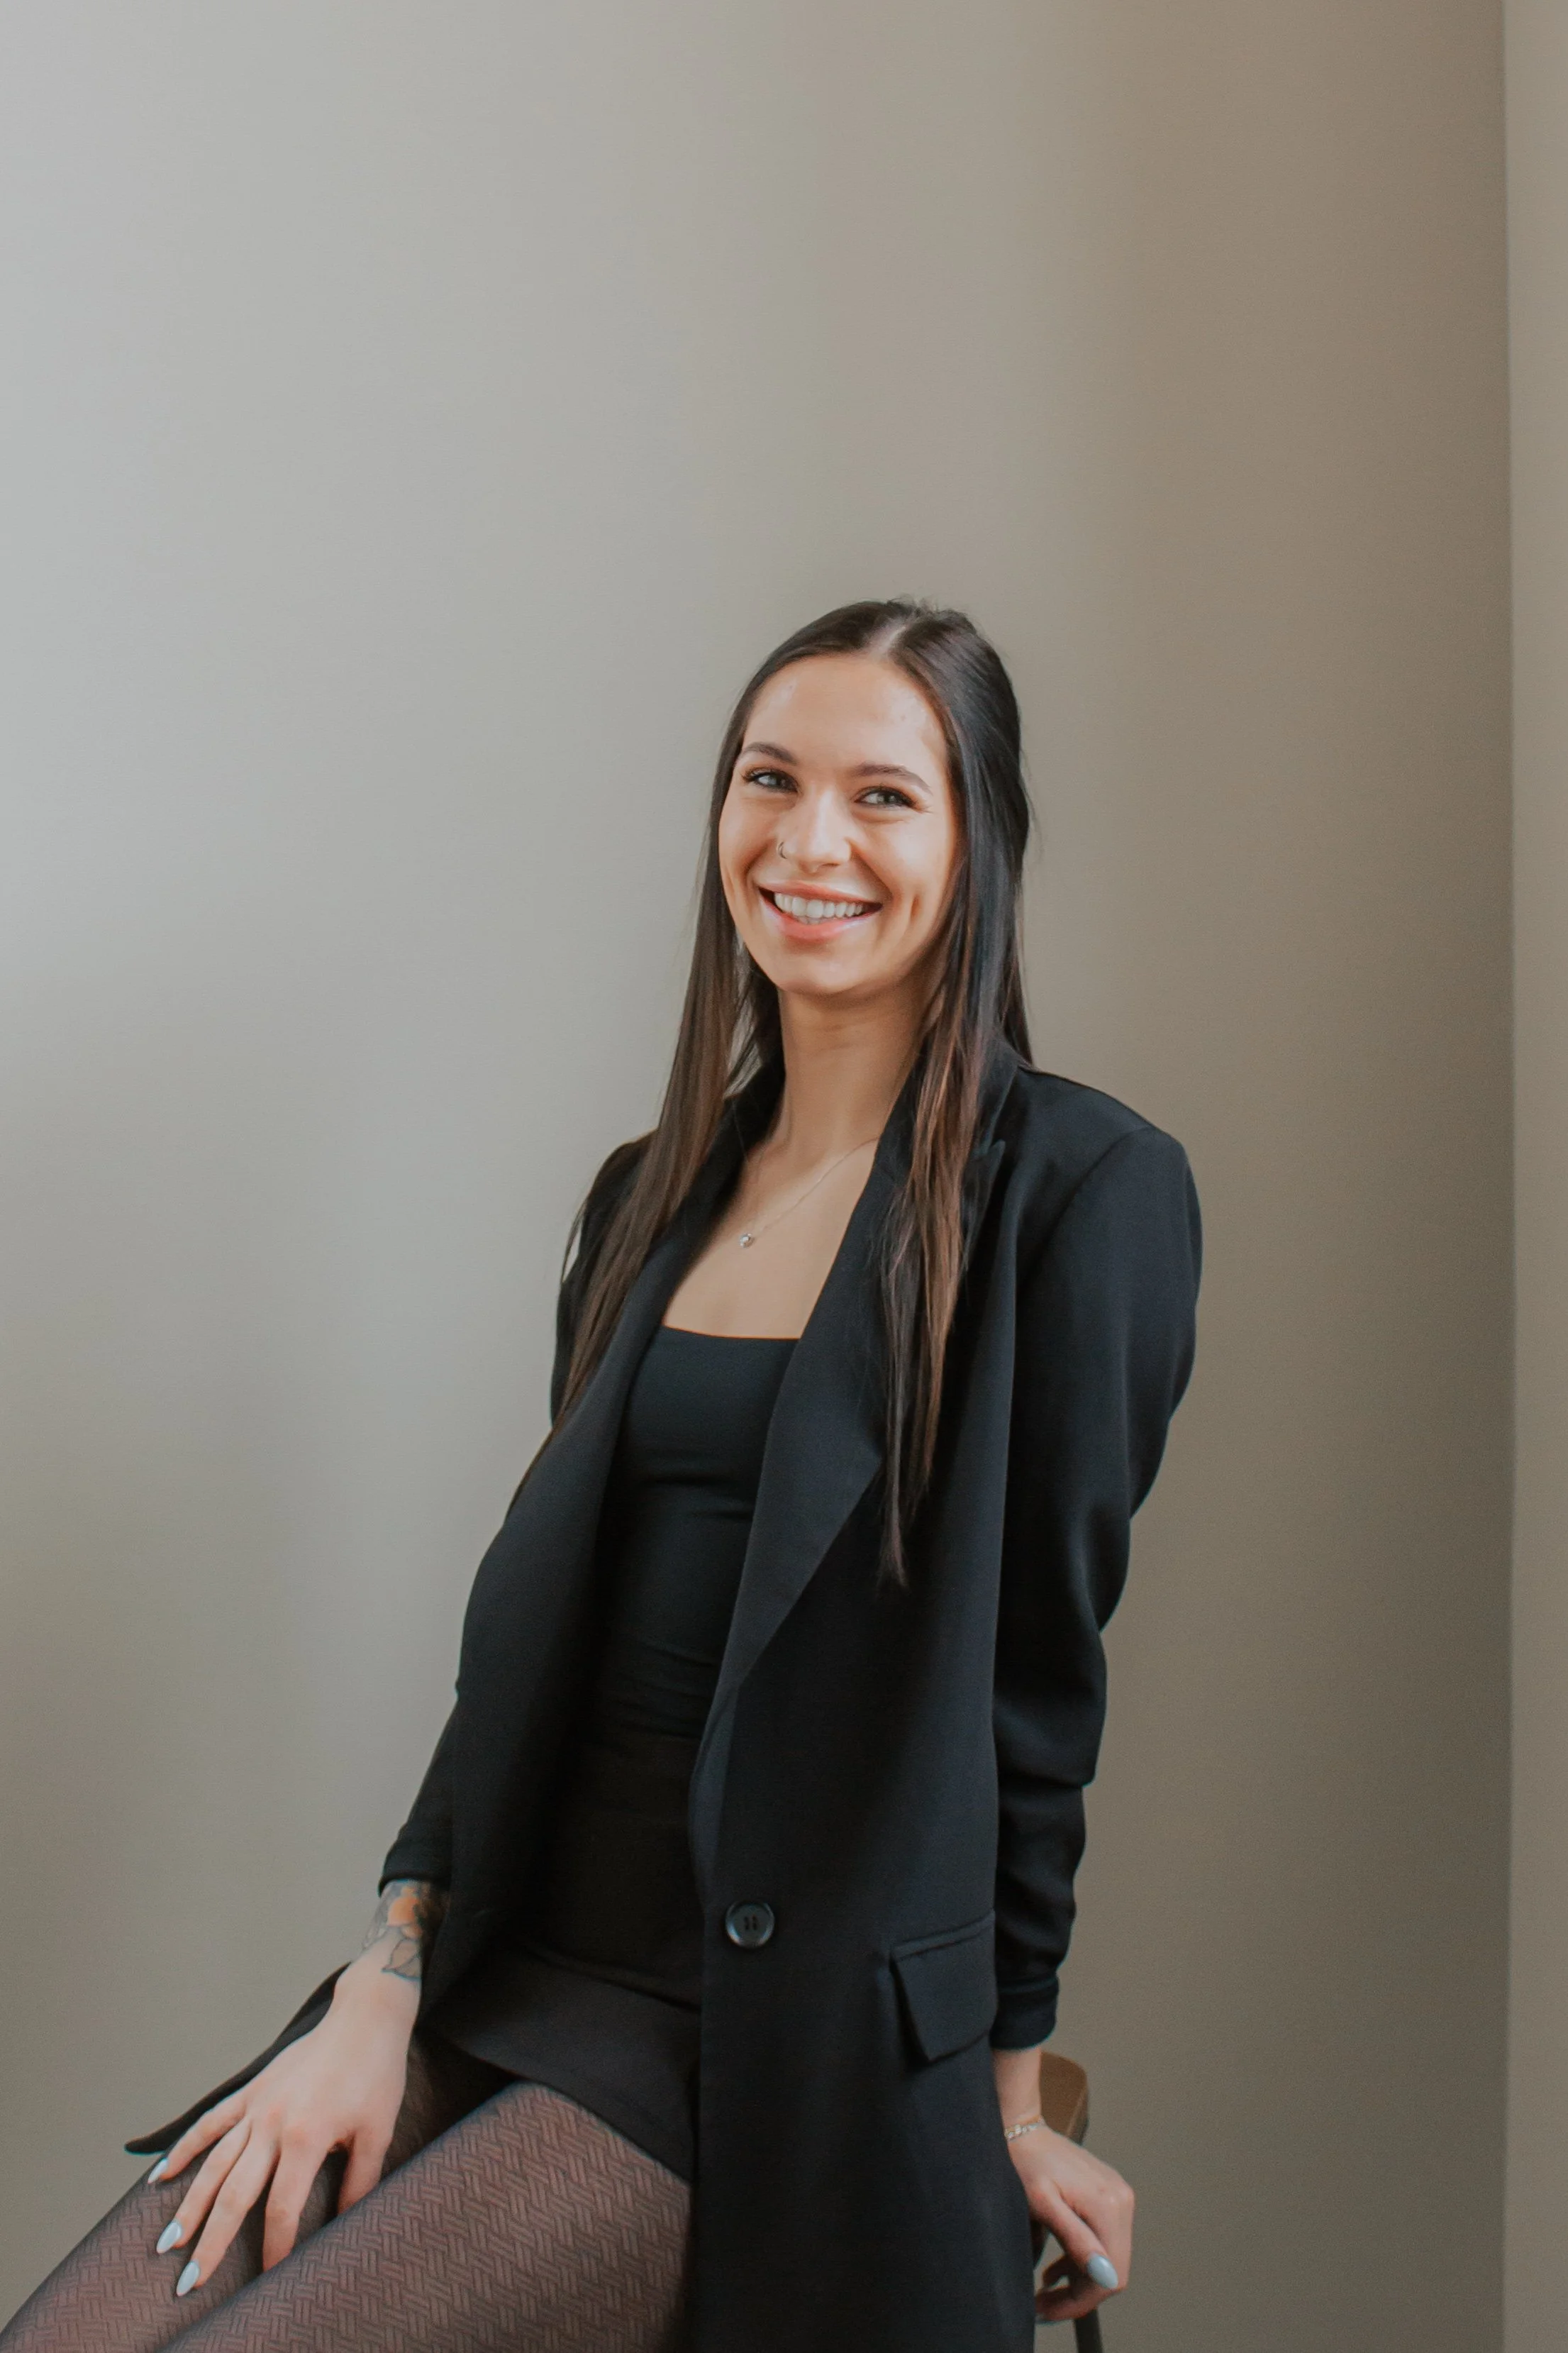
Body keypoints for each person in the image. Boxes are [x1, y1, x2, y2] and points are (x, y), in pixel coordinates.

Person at [1, 599, 1201, 2353]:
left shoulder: (1081, 1194)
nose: (807, 842)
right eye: (768, 779)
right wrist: (378, 1976)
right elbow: (528, 1642)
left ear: (976, 839)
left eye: (884, 796)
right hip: (514, 1959)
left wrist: (1006, 2104)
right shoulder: (652, 1188)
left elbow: (1035, 1697)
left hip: (755, 2042)